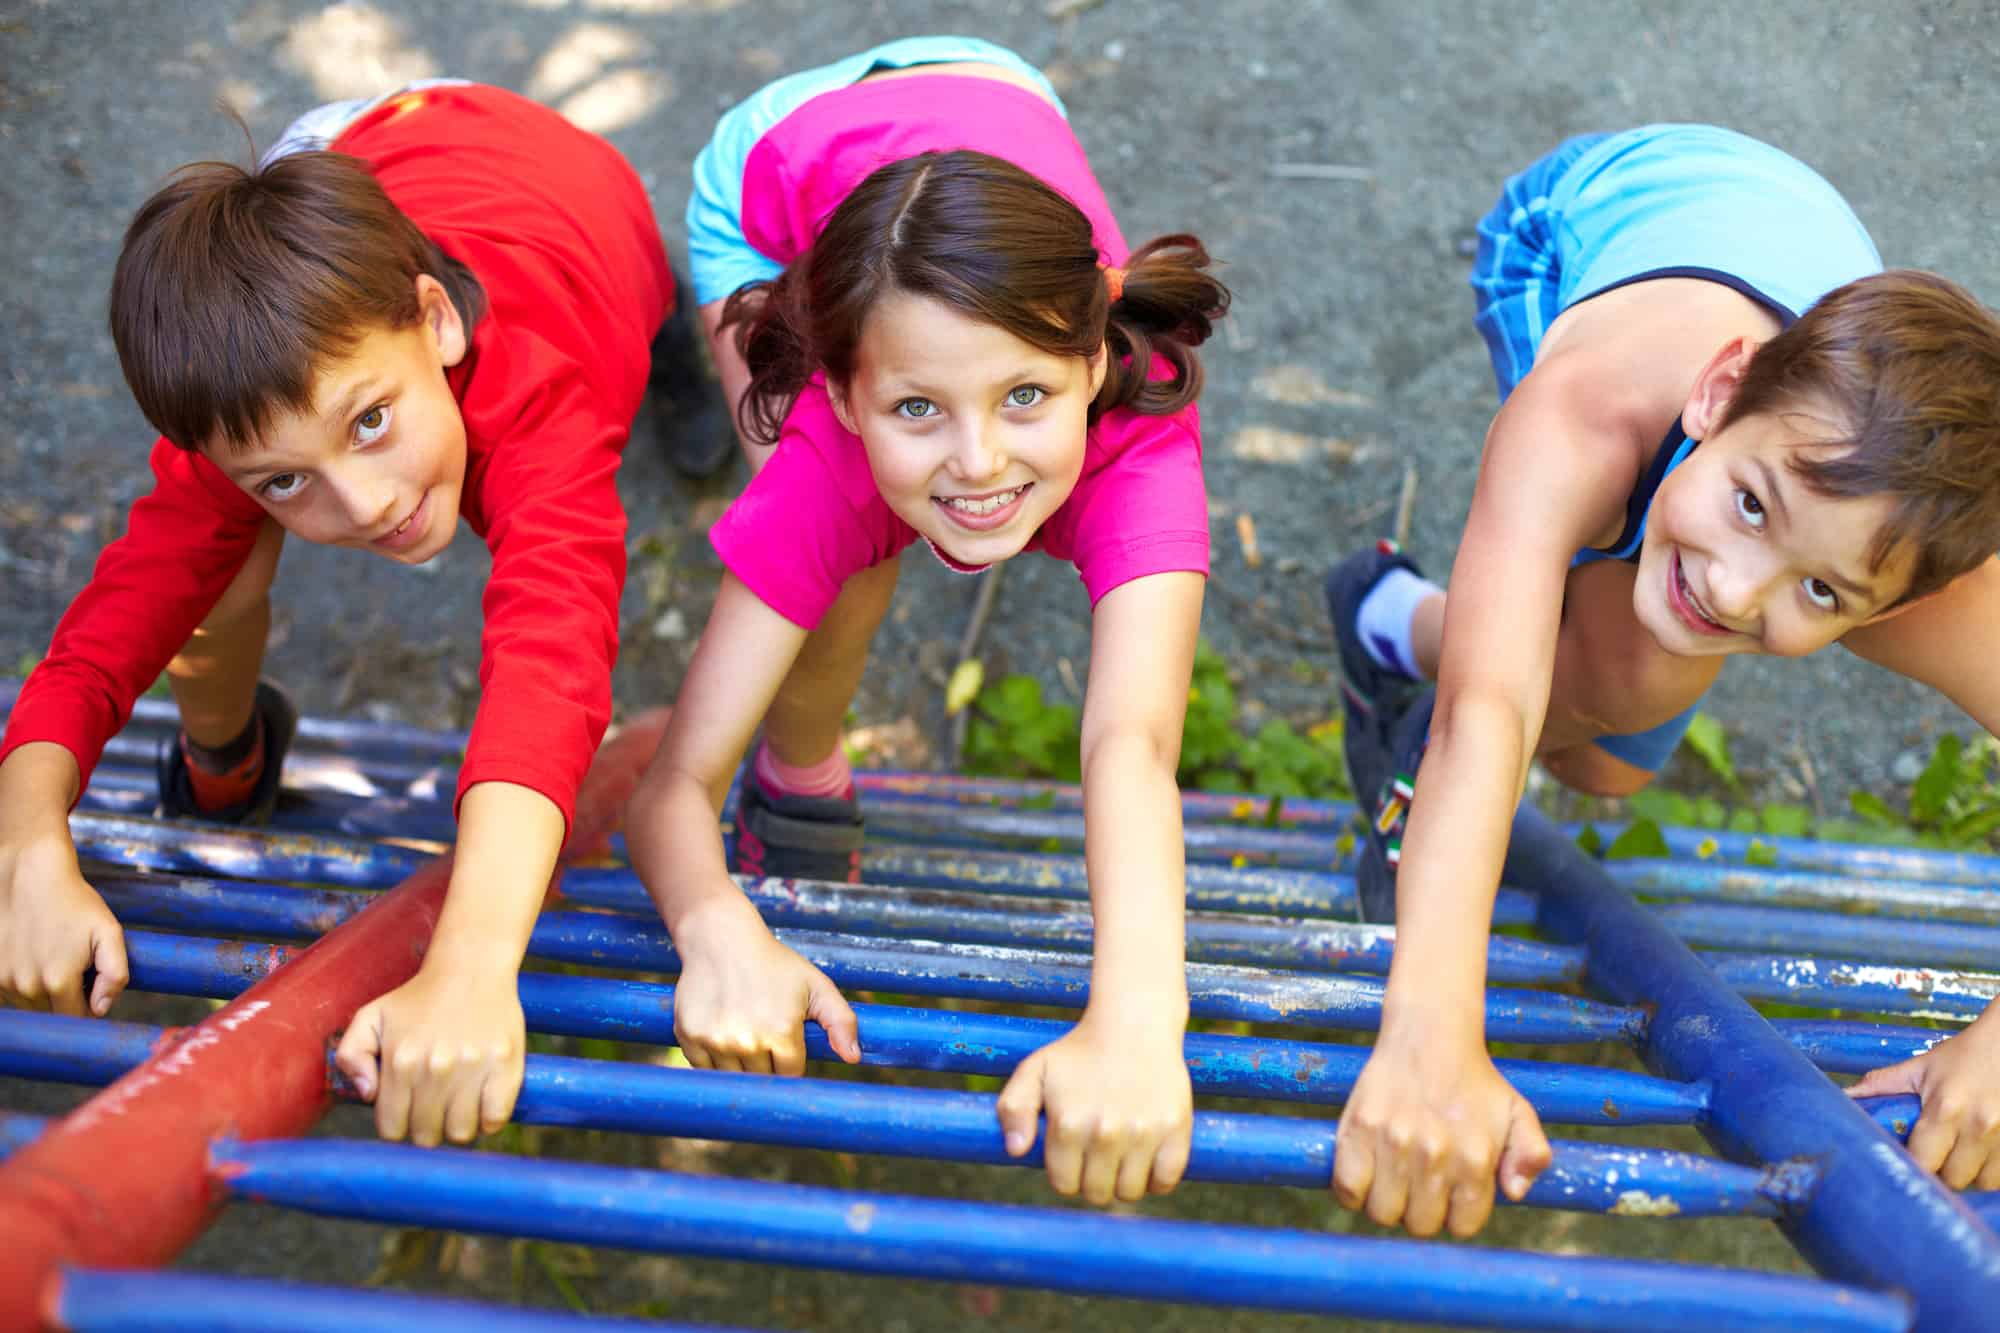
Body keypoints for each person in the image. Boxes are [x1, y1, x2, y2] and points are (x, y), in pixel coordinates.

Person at [1325, 123, 2000, 1238]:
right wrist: (1429, 1029)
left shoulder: (1927, 570)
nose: (1739, 592)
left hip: (1783, 260)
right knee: (1606, 674)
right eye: (1748, 505)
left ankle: (1384, 620)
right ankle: (1399, 696)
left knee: (1599, 762)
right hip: (1590, 218)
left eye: (1822, 595)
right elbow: (1488, 713)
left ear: (1902, 606)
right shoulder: (1592, 406)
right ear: (1719, 393)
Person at [0, 80, 695, 1150]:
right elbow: (108, 629)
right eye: (285, 480)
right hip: (371, 148)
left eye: (370, 422)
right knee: (206, 566)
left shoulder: (546, 398)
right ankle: (226, 746)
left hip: (579, 202)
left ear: (437, 320)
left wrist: (466, 965)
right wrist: (30, 841)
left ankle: (678, 360)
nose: (365, 507)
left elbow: (548, 667)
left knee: (645, 320)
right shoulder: (275, 408)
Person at [625, 36, 1230, 1208]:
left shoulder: (1142, 434)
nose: (979, 463)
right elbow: (668, 787)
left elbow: (1131, 743)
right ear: (840, 393)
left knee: (874, 520)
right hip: (772, 173)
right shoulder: (826, 442)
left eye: (1024, 396)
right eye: (915, 407)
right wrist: (715, 925)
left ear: (1095, 357)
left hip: (991, 87)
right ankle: (799, 773)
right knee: (840, 564)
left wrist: (1137, 1022)